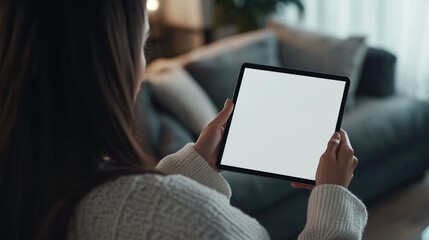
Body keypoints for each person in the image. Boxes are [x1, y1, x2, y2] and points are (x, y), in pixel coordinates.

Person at [0, 0, 367, 239]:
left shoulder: (25, 184)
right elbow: (152, 215)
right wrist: (333, 201)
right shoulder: (193, 221)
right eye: (143, 45)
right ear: (111, 61)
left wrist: (193, 167)